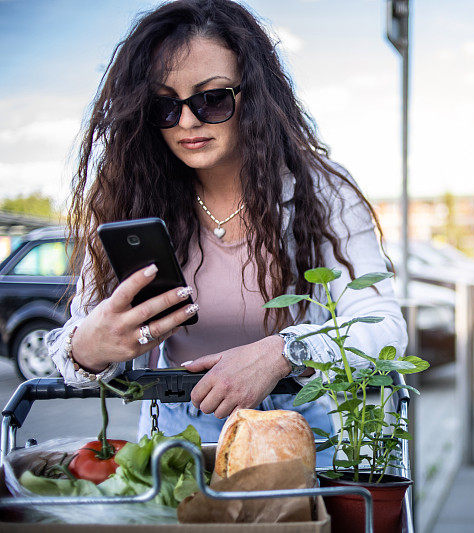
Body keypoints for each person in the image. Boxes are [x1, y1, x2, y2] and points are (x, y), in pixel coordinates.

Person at [45, 0, 407, 467]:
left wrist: (283, 352)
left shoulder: (322, 189)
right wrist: (88, 348)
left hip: (295, 434)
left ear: (251, 95)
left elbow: (384, 328)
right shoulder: (130, 198)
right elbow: (76, 349)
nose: (188, 122)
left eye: (211, 99)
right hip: (178, 434)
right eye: (164, 106)